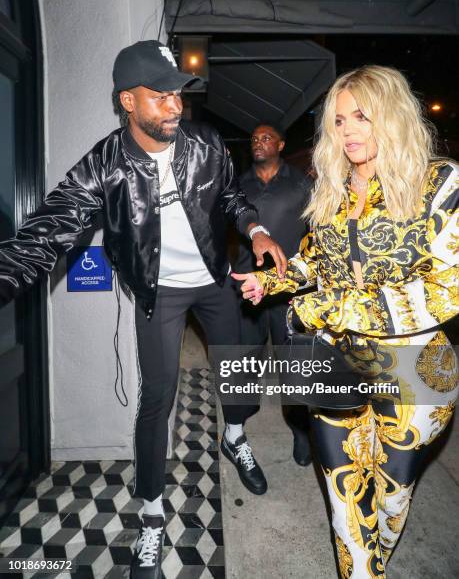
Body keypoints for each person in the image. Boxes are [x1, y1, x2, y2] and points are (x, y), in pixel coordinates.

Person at [0, 40, 288, 579]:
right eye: (160, 95)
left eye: (177, 92)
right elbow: (43, 237)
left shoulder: (205, 144)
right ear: (127, 101)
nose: (175, 105)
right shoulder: (104, 166)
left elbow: (229, 199)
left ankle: (235, 436)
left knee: (240, 367)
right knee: (157, 398)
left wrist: (257, 229)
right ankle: (152, 515)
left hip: (216, 281)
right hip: (162, 293)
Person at [233, 65, 458, 578]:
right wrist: (275, 282)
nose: (349, 130)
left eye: (362, 116)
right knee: (343, 490)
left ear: (393, 115)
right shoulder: (331, 188)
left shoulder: (440, 181)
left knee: (391, 494)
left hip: (415, 366)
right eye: (338, 120)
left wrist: (336, 307)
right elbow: (318, 261)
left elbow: (449, 287)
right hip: (334, 355)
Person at [229, 123, 314, 466]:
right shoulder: (239, 184)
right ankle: (239, 422)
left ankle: (301, 430)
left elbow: (318, 231)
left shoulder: (301, 183)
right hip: (249, 289)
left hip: (288, 290)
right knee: (247, 355)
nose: (258, 142)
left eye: (266, 138)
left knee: (292, 361)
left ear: (280, 144)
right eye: (253, 138)